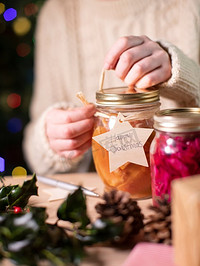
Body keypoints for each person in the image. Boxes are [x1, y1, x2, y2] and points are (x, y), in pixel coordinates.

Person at [23, 0, 200, 175]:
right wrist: (51, 142)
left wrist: (182, 75)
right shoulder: (57, 14)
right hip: (99, 198)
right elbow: (36, 156)